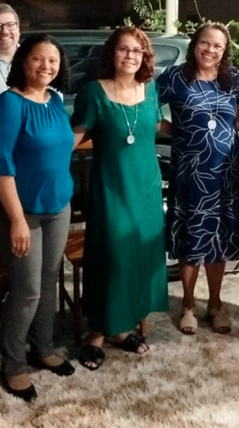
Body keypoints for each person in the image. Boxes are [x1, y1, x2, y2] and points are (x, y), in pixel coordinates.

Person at [71, 27, 168, 370]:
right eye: (123, 49)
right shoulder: (94, 93)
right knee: (112, 258)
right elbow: (73, 138)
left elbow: (157, 127)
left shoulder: (151, 89)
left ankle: (123, 327)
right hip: (111, 187)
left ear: (145, 57)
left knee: (140, 256)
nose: (130, 56)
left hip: (147, 188)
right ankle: (97, 333)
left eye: (137, 51)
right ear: (112, 53)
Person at [0, 34, 75, 401]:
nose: (45, 66)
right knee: (26, 291)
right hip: (21, 213)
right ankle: (14, 364)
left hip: (58, 207)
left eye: (52, 60)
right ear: (23, 61)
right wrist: (17, 220)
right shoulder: (9, 104)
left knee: (49, 281)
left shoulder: (55, 100)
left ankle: (44, 347)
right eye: (38, 58)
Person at [157, 22, 239, 336]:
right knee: (191, 235)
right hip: (190, 172)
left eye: (218, 46)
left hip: (224, 173)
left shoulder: (232, 79)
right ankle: (187, 305)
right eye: (205, 43)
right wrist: (176, 130)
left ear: (225, 51)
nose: (210, 50)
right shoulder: (174, 77)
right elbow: (147, 109)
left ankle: (216, 304)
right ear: (195, 44)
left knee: (219, 238)